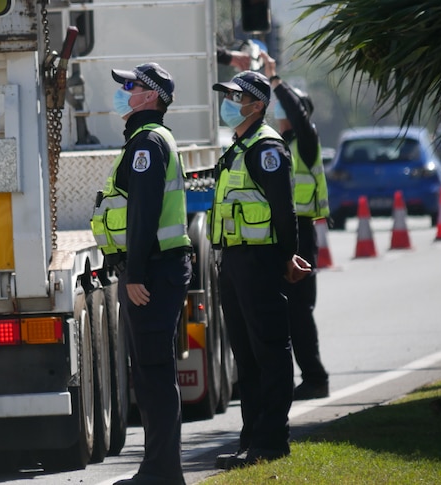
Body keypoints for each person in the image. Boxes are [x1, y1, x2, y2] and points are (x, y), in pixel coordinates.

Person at [90, 62, 192, 485]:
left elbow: (144, 212)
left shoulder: (147, 142)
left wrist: (133, 275)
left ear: (150, 96)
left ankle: (162, 471)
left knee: (153, 372)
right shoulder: (144, 139)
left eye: (130, 86)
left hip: (152, 271)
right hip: (155, 268)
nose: (124, 92)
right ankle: (160, 469)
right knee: (150, 372)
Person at [208, 70, 311, 469]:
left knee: (269, 348)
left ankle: (272, 441)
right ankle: (251, 438)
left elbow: (284, 210)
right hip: (234, 260)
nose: (229, 102)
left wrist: (288, 256)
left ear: (257, 104)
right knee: (245, 355)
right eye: (228, 95)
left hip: (260, 259)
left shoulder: (267, 147)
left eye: (236, 97)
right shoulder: (238, 146)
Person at [263, 53, 331, 401]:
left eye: (285, 108)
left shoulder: (306, 140)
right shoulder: (282, 146)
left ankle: (315, 378)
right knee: (288, 311)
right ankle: (300, 378)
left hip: (302, 232)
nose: (280, 113)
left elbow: (300, 118)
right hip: (289, 230)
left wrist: (276, 81)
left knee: (299, 312)